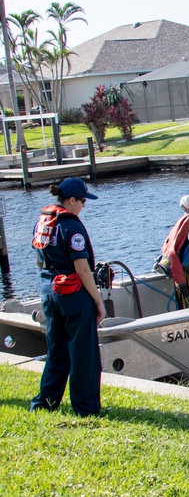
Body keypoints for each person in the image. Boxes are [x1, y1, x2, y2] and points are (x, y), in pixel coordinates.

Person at [29, 177, 106, 417]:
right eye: (82, 201)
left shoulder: (44, 221)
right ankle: (86, 407)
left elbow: (40, 260)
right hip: (73, 294)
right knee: (84, 353)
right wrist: (98, 301)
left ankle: (46, 402)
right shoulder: (71, 226)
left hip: (49, 291)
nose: (84, 205)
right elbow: (82, 268)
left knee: (57, 350)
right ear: (71, 200)